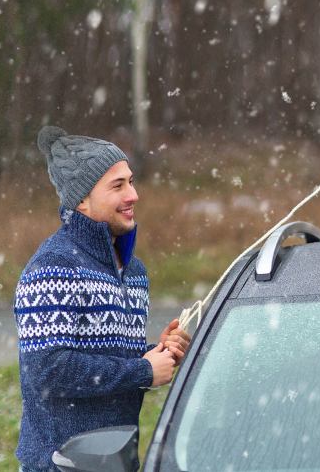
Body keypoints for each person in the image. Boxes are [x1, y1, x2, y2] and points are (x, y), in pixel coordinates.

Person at [14, 126, 192, 471]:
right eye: (117, 185)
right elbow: (47, 371)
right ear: (82, 200)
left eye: (131, 181)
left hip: (117, 462)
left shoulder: (134, 271)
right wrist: (141, 370)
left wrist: (157, 356)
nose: (133, 195)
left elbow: (109, 363)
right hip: (61, 466)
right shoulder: (54, 267)